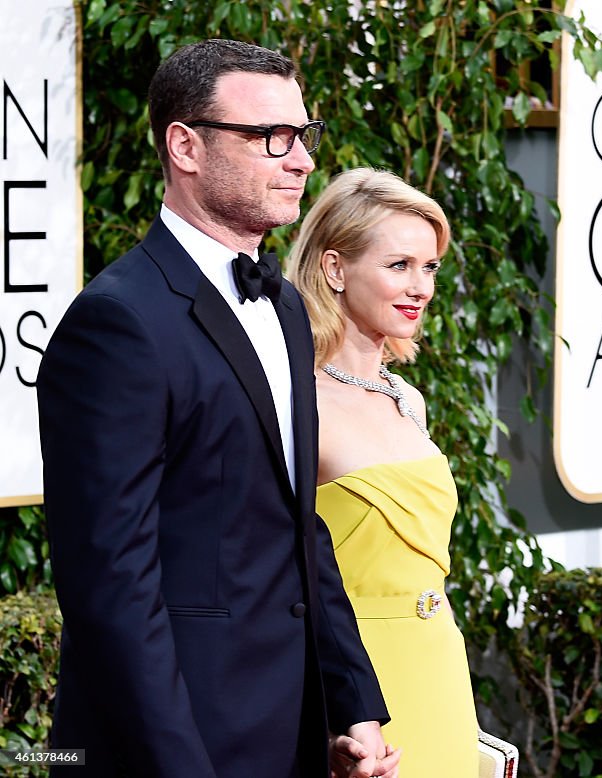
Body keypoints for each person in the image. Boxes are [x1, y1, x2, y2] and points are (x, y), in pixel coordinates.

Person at [36, 40, 400, 778]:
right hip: (176, 747)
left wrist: (350, 705)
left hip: (291, 735)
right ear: (185, 145)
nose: (300, 160)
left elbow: (300, 528)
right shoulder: (118, 323)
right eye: (271, 138)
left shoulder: (292, 309)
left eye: (304, 137)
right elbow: (111, 589)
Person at [288, 168, 479, 776]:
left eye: (429, 268)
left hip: (440, 665)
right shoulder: (296, 401)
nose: (420, 286)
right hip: (356, 685)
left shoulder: (408, 399)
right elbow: (286, 569)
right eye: (398, 265)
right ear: (335, 268)